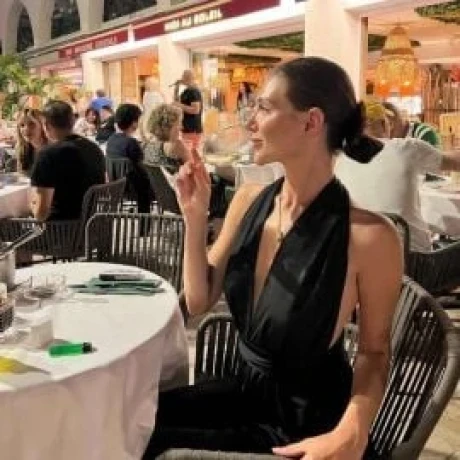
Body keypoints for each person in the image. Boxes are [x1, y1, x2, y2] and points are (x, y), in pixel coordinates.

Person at [142, 57, 402, 459]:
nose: (250, 121)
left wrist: (353, 430)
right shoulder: (249, 200)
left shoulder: (370, 237)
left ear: (311, 122)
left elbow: (374, 352)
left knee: (147, 444)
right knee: (126, 419)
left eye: (264, 108)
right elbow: (198, 300)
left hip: (306, 423)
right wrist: (194, 217)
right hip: (246, 393)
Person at [335, 99, 460, 251]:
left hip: (360, 253)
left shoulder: (339, 159)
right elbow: (455, 162)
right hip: (413, 257)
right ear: (384, 124)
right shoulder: (406, 148)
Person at [30, 100, 105, 221]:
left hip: (62, 228)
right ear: (73, 121)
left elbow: (41, 214)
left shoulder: (48, 155)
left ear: (46, 125)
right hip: (94, 224)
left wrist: (32, 205)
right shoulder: (94, 149)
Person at [106, 103, 154, 214]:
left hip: (117, 186)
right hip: (137, 190)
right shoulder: (131, 143)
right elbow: (143, 168)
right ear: (134, 123)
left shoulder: (111, 140)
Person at [143, 103, 192, 174]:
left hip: (155, 181)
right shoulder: (176, 146)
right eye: (179, 123)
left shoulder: (145, 146)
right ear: (167, 128)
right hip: (177, 181)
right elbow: (194, 169)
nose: (182, 127)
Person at [173, 69, 203, 149]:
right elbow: (177, 102)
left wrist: (179, 105)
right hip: (186, 128)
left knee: (191, 152)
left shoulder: (194, 91)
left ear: (187, 78)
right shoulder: (186, 91)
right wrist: (176, 88)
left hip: (192, 129)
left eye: (183, 76)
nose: (181, 78)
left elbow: (196, 110)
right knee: (188, 151)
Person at [15, 109, 48, 176]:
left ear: (42, 126)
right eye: (22, 125)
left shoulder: (53, 149)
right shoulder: (21, 148)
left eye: (31, 124)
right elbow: (21, 175)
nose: (26, 129)